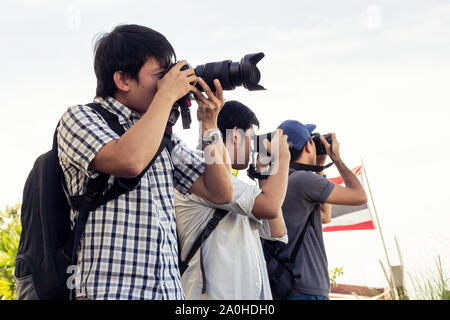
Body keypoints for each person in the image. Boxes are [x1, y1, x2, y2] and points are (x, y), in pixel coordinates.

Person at [56, 24, 233, 300]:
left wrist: (210, 125)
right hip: (109, 293)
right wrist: (166, 96)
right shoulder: (80, 118)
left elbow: (221, 192)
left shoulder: (161, 137)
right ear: (123, 80)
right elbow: (130, 160)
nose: (172, 84)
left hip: (167, 293)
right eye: (162, 76)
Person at [175, 100, 290, 300]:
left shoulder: (234, 182)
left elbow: (276, 230)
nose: (254, 148)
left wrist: (265, 172)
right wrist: (283, 157)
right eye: (251, 140)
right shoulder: (202, 168)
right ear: (236, 136)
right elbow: (270, 206)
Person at [276, 120, 367, 300]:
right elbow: (359, 196)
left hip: (292, 288)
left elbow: (325, 216)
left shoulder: (283, 180)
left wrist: (319, 168)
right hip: (306, 292)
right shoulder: (303, 180)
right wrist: (336, 159)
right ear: (308, 146)